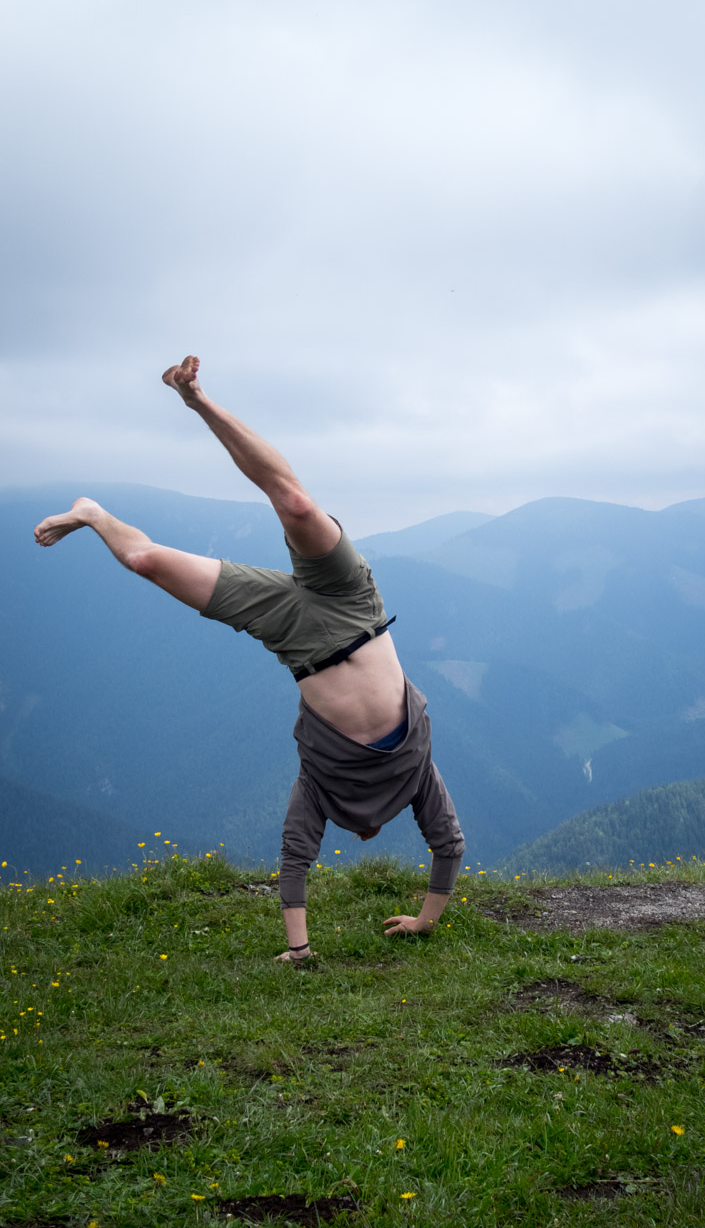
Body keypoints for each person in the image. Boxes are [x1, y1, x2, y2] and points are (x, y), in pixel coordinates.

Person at [34, 356, 465, 964]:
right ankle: (199, 400)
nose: (367, 830)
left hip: (292, 635)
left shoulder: (320, 789)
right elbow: (449, 845)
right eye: (371, 829)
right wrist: (424, 922)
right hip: (354, 608)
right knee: (293, 503)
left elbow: (294, 858)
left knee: (144, 563)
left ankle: (95, 513)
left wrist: (301, 950)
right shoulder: (417, 773)